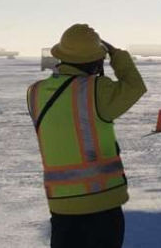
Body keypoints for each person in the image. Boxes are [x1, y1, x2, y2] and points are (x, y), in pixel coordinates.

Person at [27, 24, 147, 248]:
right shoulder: (98, 90)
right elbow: (135, 86)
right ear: (96, 61)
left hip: (60, 206)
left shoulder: (35, 92)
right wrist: (117, 55)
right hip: (101, 205)